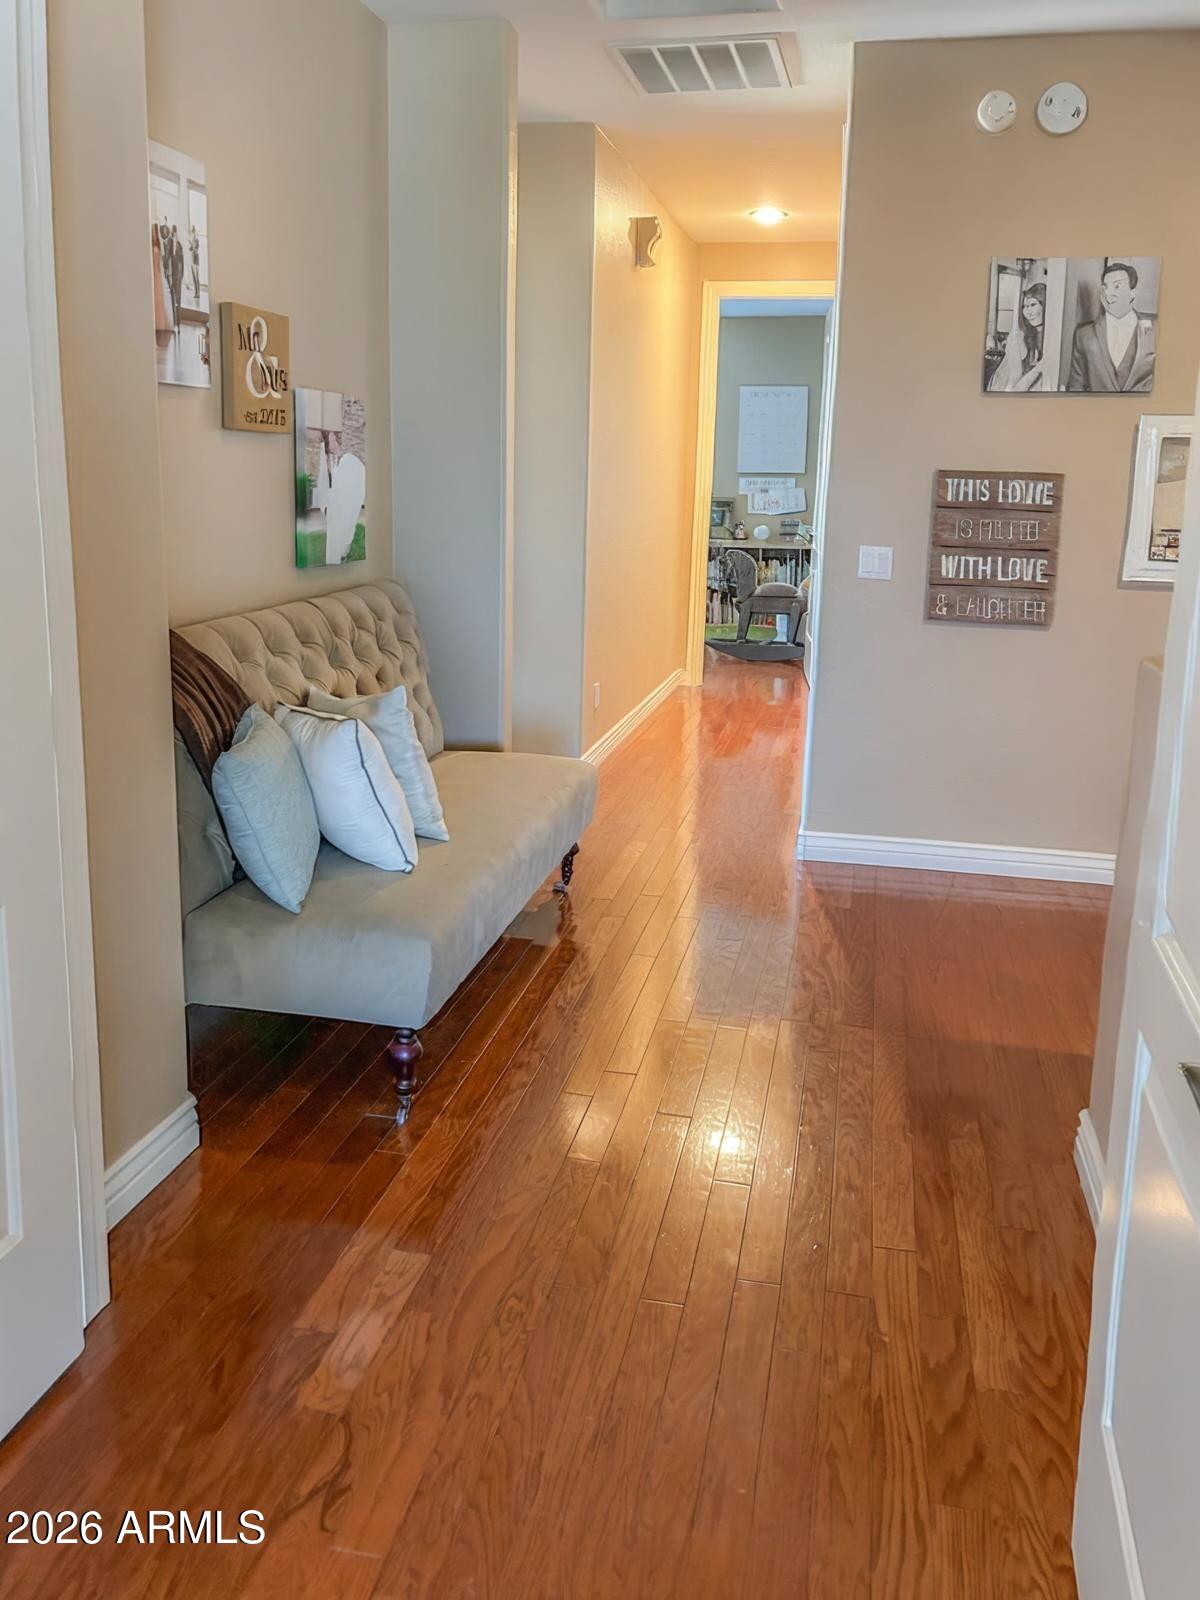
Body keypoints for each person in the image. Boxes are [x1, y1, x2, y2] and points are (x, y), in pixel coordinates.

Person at [1068, 261, 1156, 392]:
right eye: (1105, 288)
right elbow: (1076, 386)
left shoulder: (1157, 328)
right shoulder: (1084, 334)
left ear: (1133, 293)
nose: (1109, 294)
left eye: (1117, 287)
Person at [988, 282, 1047, 392]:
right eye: (1025, 306)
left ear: (1045, 305)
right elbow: (1013, 381)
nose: (1028, 311)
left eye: (1033, 305)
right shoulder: (1019, 337)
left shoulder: (1052, 334)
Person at [168, 224, 185, 329]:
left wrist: (182, 274)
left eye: (174, 232)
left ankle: (178, 322)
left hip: (178, 276)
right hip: (172, 275)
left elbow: (182, 262)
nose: (173, 234)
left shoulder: (179, 245)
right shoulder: (170, 244)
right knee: (172, 298)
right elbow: (169, 259)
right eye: (172, 232)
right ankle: (174, 322)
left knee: (178, 300)